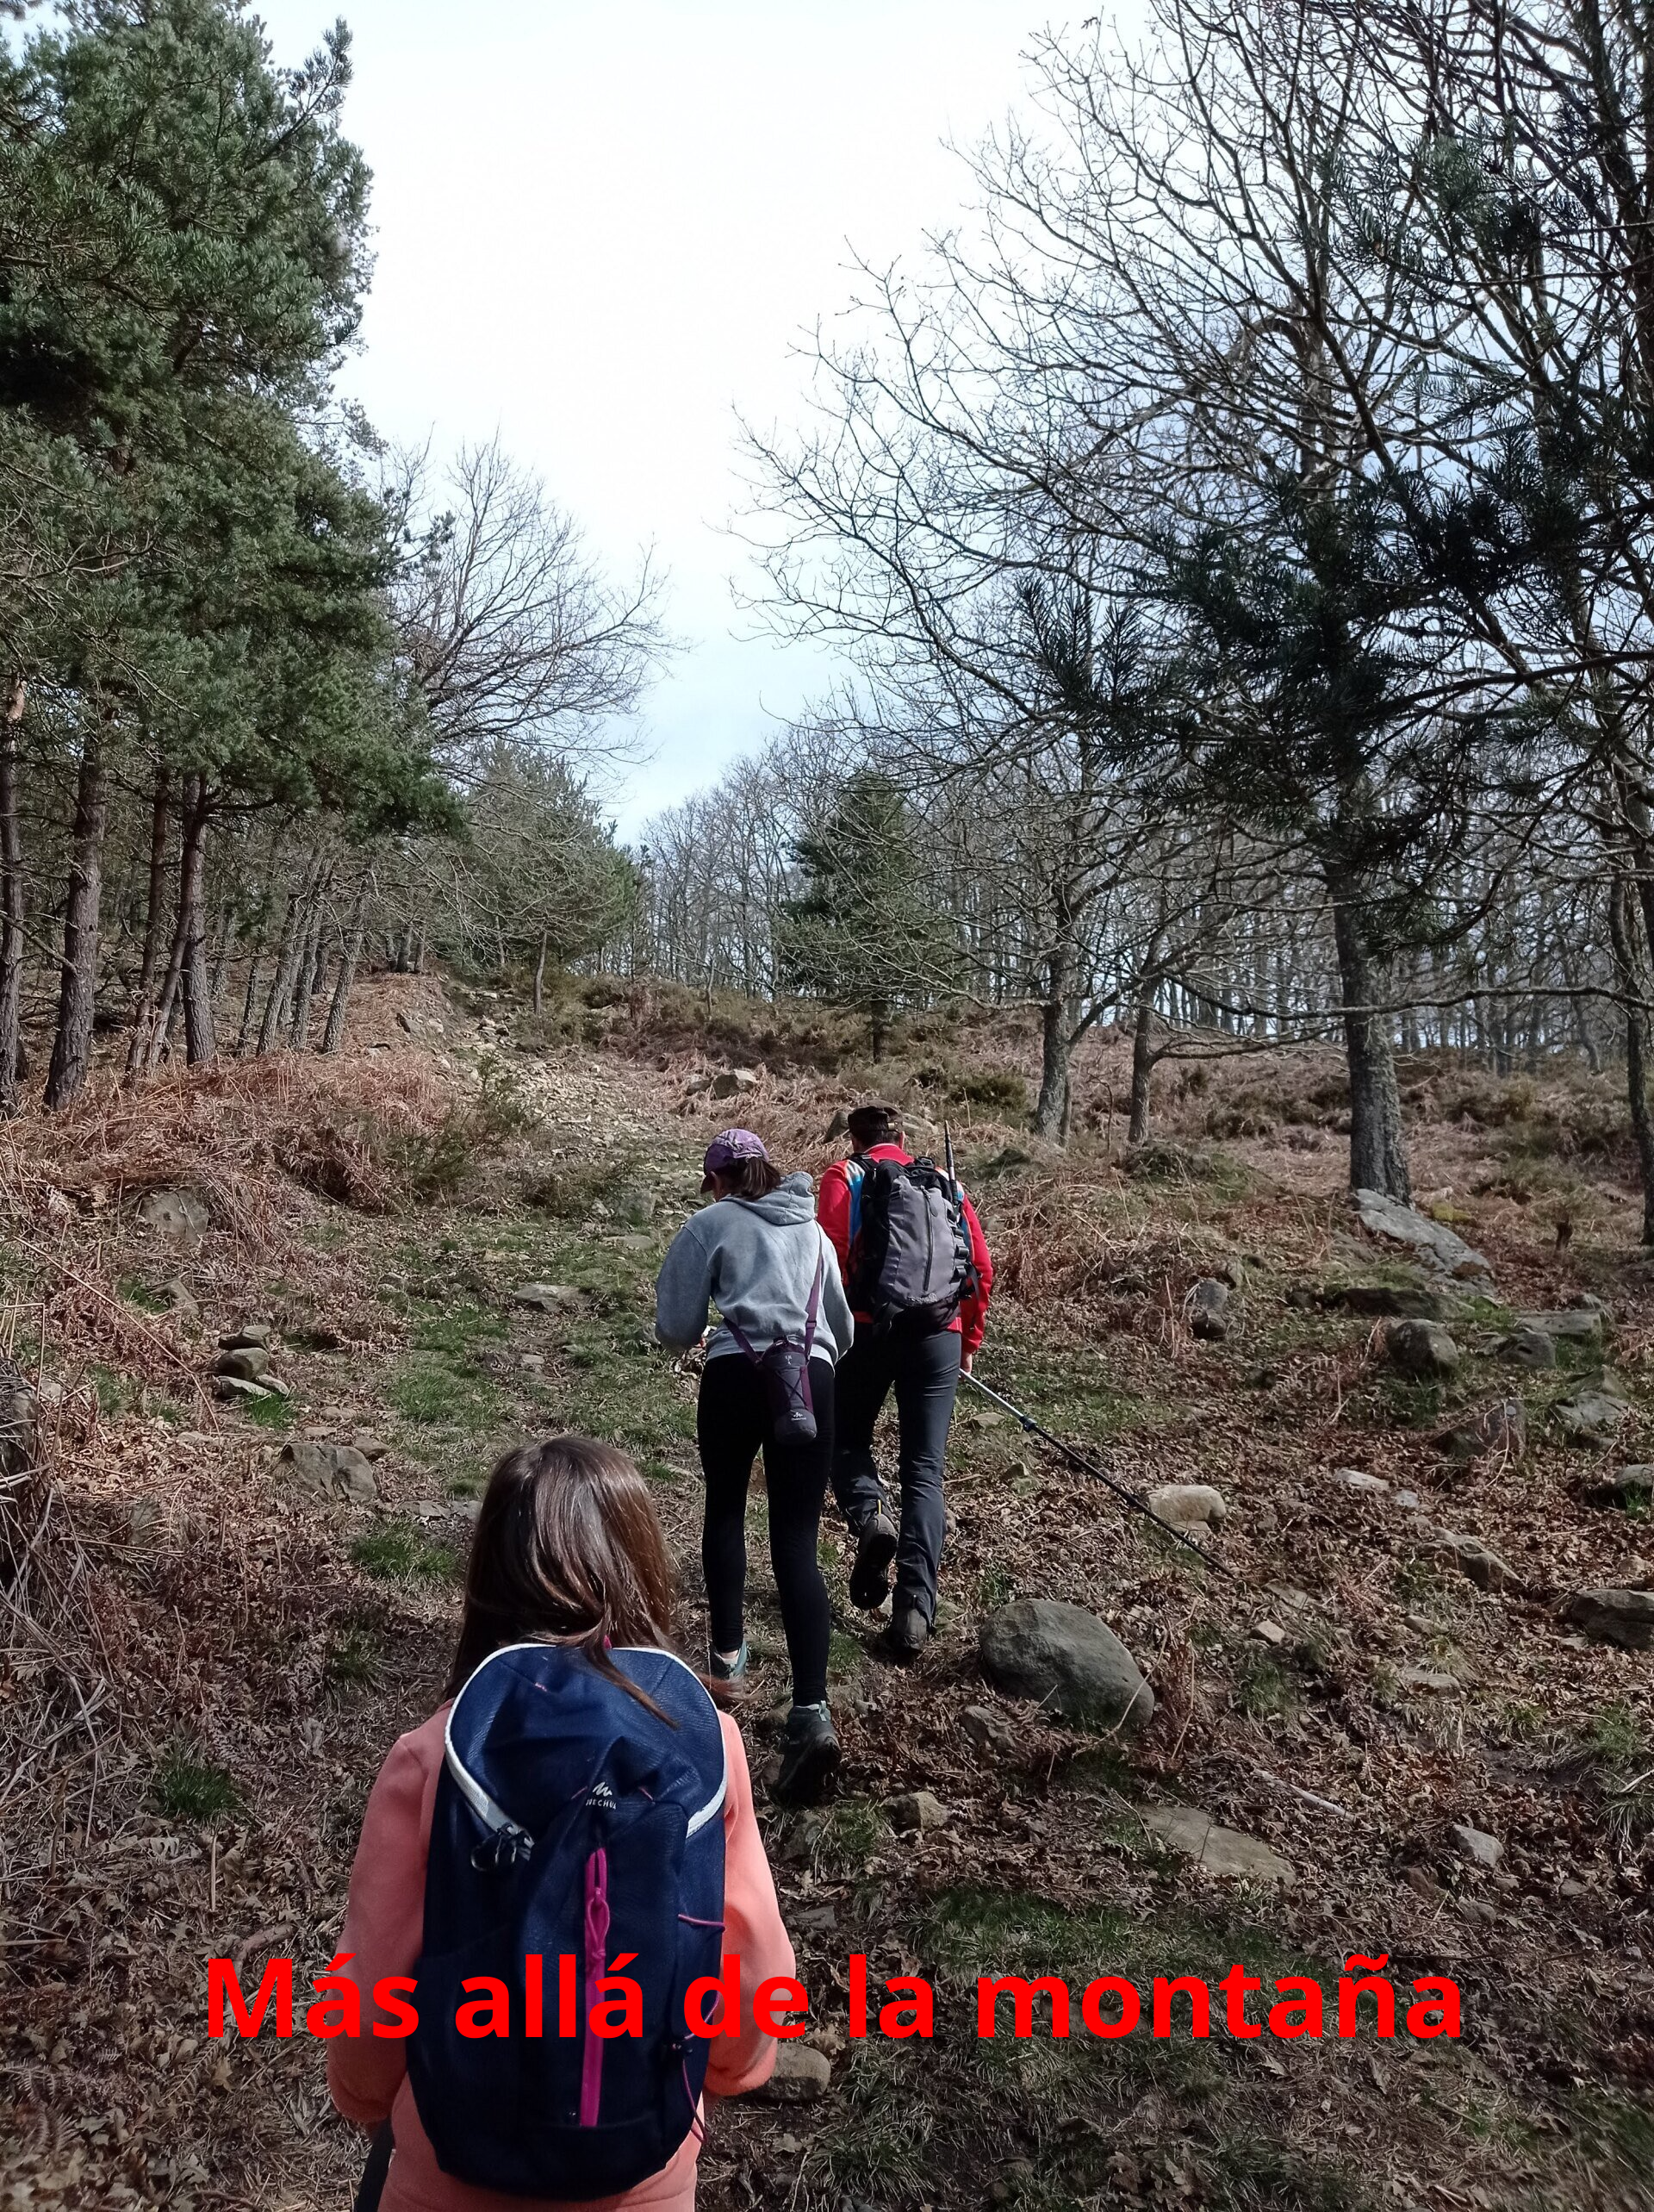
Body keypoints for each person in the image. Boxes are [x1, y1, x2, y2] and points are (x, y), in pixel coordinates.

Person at [328, 1436, 794, 2212]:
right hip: (643, 2176)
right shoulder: (707, 1743)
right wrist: (726, 2070)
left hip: (451, 2176)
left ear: (486, 1581)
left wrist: (367, 2095)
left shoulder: (433, 1756)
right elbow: (758, 1984)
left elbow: (370, 2003)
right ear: (640, 1567)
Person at [655, 1129, 855, 1804]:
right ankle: (812, 1710)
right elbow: (845, 1332)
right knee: (798, 1542)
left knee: (726, 1511)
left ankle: (727, 1670)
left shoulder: (710, 1223)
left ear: (718, 1178)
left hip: (736, 1374)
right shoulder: (815, 1232)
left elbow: (676, 1326)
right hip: (812, 1378)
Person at [818, 1102, 993, 1661]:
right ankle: (915, 1610)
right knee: (925, 1469)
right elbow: (981, 1268)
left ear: (855, 1138)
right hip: (938, 1334)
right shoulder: (943, 1181)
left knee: (843, 1440)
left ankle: (871, 1517)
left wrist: (826, 1336)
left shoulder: (844, 1176)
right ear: (902, 1136)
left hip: (866, 1331)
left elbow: (828, 1259)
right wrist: (967, 1342)